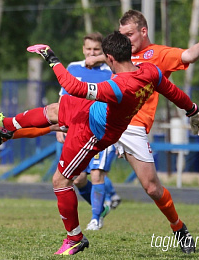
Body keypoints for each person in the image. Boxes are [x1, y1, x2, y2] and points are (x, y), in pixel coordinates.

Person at [0, 31, 199, 255]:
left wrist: (50, 56)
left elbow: (74, 86)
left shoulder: (118, 87)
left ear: (110, 58)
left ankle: (76, 239)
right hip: (93, 112)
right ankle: (3, 127)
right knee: (54, 110)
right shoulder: (149, 70)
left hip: (95, 132)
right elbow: (172, 91)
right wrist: (193, 111)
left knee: (62, 181)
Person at [85, 10, 199, 253]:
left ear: (143, 32)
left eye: (130, 34)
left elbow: (188, 55)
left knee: (152, 188)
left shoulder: (157, 55)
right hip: (105, 119)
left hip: (134, 128)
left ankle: (178, 228)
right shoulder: (119, 55)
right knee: (60, 119)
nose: (125, 40)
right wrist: (97, 59)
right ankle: (7, 127)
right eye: (121, 35)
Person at [57, 32, 120, 231]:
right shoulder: (73, 68)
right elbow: (63, 98)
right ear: (83, 49)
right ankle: (100, 207)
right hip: (76, 129)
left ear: (103, 52)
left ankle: (95, 219)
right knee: (77, 178)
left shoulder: (110, 71)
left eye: (96, 50)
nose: (92, 53)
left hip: (101, 130)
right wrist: (60, 126)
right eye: (89, 49)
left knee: (96, 174)